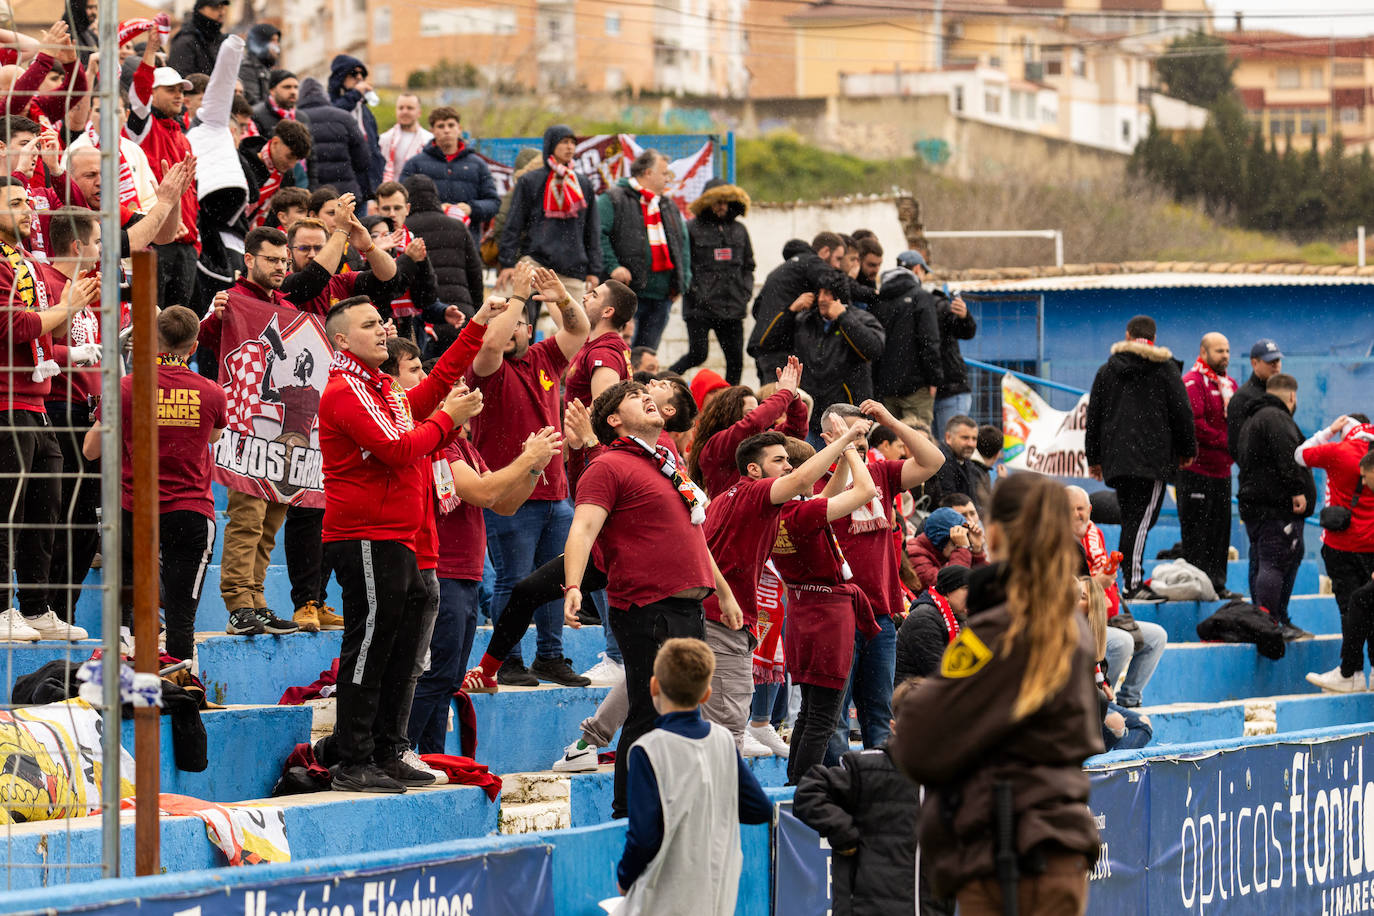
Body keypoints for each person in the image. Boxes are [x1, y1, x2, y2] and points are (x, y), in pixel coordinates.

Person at [890, 473, 1103, 915]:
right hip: (1058, 841)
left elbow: (917, 737)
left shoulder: (995, 630)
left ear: (999, 534)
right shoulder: (1072, 626)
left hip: (1003, 846)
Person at [318, 293, 492, 792]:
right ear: (343, 340)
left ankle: (389, 748)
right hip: (366, 536)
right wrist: (447, 420)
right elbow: (397, 450)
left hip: (399, 537)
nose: (382, 329)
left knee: (400, 649)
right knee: (371, 645)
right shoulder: (345, 391)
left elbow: (434, 388)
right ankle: (353, 759)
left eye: (382, 321)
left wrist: (477, 325)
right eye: (370, 324)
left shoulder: (381, 388)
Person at [563, 380, 743, 817]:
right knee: (647, 712)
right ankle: (628, 813)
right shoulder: (608, 466)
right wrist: (572, 585)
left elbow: (694, 536)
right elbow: (584, 527)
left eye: (648, 392)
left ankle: (669, 806)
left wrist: (722, 590)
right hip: (647, 607)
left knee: (679, 714)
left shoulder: (666, 462)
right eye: (634, 396)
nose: (648, 396)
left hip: (689, 608)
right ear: (614, 421)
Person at [699, 425, 874, 753]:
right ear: (755, 469)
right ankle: (796, 791)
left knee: (809, 714)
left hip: (770, 611)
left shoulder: (746, 501)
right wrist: (847, 444)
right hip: (791, 616)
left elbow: (819, 496)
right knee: (813, 717)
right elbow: (863, 491)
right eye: (781, 461)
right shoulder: (765, 497)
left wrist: (841, 451)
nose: (791, 468)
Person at [466, 263, 590, 687]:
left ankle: (551, 656)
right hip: (510, 492)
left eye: (522, 323)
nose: (516, 329)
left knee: (554, 581)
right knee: (513, 580)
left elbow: (579, 331)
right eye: (509, 323)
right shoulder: (485, 367)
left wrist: (561, 298)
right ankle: (508, 659)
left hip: (556, 493)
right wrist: (515, 298)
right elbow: (491, 345)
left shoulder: (542, 357)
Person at [82, 306, 226, 661]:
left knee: (125, 605)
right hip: (191, 512)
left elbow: (90, 450)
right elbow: (214, 438)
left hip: (135, 512)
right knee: (181, 616)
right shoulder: (211, 391)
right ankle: (180, 689)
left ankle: (122, 676)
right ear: (194, 348)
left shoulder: (126, 388)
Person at [0, 177, 99, 642]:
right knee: (9, 512)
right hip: (5, 404)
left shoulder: (26, 263)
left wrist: (70, 351)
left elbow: (39, 340)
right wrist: (66, 308)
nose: (26, 210)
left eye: (27, 201)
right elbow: (13, 326)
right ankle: (2, 610)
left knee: (46, 514)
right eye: (14, 202)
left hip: (37, 403)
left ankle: (36, 608)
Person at [819, 401, 946, 758]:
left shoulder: (880, 473)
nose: (859, 445)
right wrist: (843, 449)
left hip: (880, 615)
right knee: (836, 719)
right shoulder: (812, 478)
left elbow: (933, 461)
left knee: (879, 715)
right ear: (827, 436)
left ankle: (881, 790)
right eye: (851, 436)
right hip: (835, 614)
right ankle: (838, 792)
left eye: (863, 440)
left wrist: (889, 420)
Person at [613, 638, 770, 916]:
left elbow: (644, 837)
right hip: (716, 896)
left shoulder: (647, 750)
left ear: (653, 687)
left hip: (664, 899)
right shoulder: (723, 741)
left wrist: (624, 879)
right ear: (706, 694)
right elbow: (759, 809)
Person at [1085, 315, 1197, 602]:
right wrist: (1187, 450)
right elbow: (1182, 412)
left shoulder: (1107, 370)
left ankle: (1128, 580)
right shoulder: (1165, 370)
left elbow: (1093, 416)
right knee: (1141, 521)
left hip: (1118, 460)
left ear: (1127, 335)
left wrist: (1094, 458)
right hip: (1152, 460)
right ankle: (1132, 584)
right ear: (1154, 338)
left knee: (1132, 520)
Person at [794, 678, 924, 916]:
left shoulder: (947, 779)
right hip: (866, 905)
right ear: (894, 727)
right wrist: (844, 833)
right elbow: (809, 792)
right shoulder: (865, 766)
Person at [1066, 485, 1166, 708]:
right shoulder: (1058, 544)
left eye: (1080, 508)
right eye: (1069, 509)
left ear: (1090, 510)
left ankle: (1129, 701)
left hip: (1108, 616)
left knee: (1156, 636)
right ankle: (1102, 702)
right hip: (1081, 623)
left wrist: (1103, 587)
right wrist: (1095, 587)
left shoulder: (1095, 534)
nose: (1076, 514)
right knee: (1122, 642)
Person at [126, 26, 201, 311]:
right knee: (149, 323)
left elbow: (191, 194)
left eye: (182, 90)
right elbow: (139, 96)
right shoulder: (143, 129)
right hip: (154, 241)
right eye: (170, 90)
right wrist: (148, 53)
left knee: (178, 323)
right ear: (151, 94)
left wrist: (195, 238)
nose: (179, 95)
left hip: (187, 244)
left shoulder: (183, 136)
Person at [1235, 374, 1315, 638]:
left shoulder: (1253, 419)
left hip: (1257, 506)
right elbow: (1288, 455)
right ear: (1292, 396)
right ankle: (1272, 622)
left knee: (1263, 561)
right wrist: (1296, 490)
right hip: (1275, 508)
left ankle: (1267, 619)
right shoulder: (1277, 418)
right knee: (1276, 561)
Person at [1299, 416, 1374, 693]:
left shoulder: (1339, 450)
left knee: (1352, 606)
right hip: (1370, 548)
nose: (1363, 480)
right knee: (1365, 603)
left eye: (1365, 476)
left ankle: (1351, 672)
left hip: (1343, 545)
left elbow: (1299, 454)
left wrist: (1327, 431)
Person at [599, 149, 690, 350]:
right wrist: (613, 266)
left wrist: (682, 281)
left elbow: (683, 244)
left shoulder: (667, 205)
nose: (668, 179)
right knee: (618, 353)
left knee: (646, 356)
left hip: (662, 296)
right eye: (664, 173)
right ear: (648, 173)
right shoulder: (613, 198)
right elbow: (599, 235)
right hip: (626, 294)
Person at [498, 124, 601, 303]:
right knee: (503, 307)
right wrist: (507, 263)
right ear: (551, 145)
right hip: (536, 261)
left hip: (572, 267)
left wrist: (594, 270)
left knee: (579, 325)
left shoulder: (583, 184)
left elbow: (591, 229)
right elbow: (513, 224)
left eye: (573, 142)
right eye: (564, 142)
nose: (570, 147)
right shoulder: (531, 181)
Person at [669, 178, 752, 384]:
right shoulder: (691, 228)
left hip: (732, 306)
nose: (721, 206)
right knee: (698, 354)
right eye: (717, 201)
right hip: (699, 309)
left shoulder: (740, 230)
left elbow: (749, 266)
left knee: (736, 362)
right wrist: (697, 293)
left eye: (725, 201)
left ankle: (732, 407)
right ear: (707, 203)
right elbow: (683, 264)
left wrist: (745, 293)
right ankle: (661, 381)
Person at [793, 270, 886, 438]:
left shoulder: (862, 319)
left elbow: (873, 349)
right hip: (812, 416)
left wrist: (843, 317)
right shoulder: (806, 320)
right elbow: (768, 344)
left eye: (828, 293)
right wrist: (790, 311)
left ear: (839, 297)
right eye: (820, 292)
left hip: (847, 418)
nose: (821, 299)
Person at [1180, 332, 1239, 598]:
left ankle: (1217, 585)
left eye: (1227, 351)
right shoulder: (1192, 382)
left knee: (1220, 531)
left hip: (1223, 472)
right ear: (1203, 353)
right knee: (1198, 532)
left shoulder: (1231, 384)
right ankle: (1196, 586)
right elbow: (1196, 425)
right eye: (1219, 351)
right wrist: (1228, 442)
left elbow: (1236, 422)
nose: (1225, 356)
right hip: (1197, 472)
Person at [746, 232, 845, 380]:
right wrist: (792, 310)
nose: (837, 266)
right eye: (838, 259)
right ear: (825, 252)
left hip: (761, 348)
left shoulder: (782, 270)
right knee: (782, 399)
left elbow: (756, 309)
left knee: (770, 398)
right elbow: (837, 282)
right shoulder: (812, 262)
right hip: (778, 350)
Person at [399, 106, 498, 237]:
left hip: (467, 242)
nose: (446, 130)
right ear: (432, 131)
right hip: (427, 240)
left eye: (451, 125)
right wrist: (434, 209)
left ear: (459, 129)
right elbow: (402, 202)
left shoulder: (478, 165)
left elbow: (493, 203)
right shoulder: (415, 164)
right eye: (441, 126)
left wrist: (471, 209)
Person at [1080, 577, 1153, 752]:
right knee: (1116, 723)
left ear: (1092, 607)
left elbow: (1097, 669)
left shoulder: (1091, 634)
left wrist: (1103, 683)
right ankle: (1091, 768)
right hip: (1074, 703)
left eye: (1081, 596)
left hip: (1093, 699)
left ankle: (1109, 768)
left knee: (1143, 725)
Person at [400, 175, 485, 319]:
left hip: (427, 315)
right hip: (461, 311)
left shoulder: (404, 230)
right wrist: (476, 310)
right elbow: (475, 272)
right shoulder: (458, 226)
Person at [870, 259, 942, 429]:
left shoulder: (878, 302)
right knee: (918, 442)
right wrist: (934, 379)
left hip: (885, 387)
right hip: (917, 387)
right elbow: (929, 341)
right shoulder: (921, 297)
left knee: (889, 443)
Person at [296, 76, 370, 200]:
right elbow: (363, 158)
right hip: (346, 193)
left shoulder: (295, 119)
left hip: (313, 196)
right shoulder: (344, 117)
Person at [894, 565, 971, 682]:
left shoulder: (956, 616)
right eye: (965, 588)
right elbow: (936, 671)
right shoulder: (924, 618)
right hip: (909, 693)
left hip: (927, 688)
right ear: (947, 592)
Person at [327, 55, 384, 191]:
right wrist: (355, 94)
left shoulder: (365, 111)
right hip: (342, 184)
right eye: (353, 73)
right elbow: (335, 114)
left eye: (362, 74)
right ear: (340, 77)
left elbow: (374, 145)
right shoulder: (330, 104)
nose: (359, 78)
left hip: (368, 185)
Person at [906, 502, 987, 592]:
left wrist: (977, 551)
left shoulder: (943, 553)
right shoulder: (915, 554)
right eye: (955, 541)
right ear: (940, 540)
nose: (957, 548)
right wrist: (962, 548)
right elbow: (948, 587)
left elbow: (982, 583)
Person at [1227, 338, 1284, 461]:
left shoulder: (1280, 394)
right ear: (1254, 363)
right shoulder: (1242, 398)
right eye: (1270, 361)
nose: (1275, 365)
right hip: (1257, 476)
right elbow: (1236, 446)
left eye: (1277, 360)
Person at [925, 414, 988, 515]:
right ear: (948, 437)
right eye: (965, 438)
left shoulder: (966, 461)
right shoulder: (942, 462)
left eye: (974, 439)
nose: (971, 444)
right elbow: (951, 505)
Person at [167, 0, 227, 79]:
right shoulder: (186, 40)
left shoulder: (223, 41)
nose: (222, 13)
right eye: (215, 8)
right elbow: (181, 80)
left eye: (223, 8)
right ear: (200, 9)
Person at [380, 93, 432, 183]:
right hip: (390, 192)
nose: (404, 111)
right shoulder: (384, 139)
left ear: (419, 112)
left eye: (410, 108)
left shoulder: (429, 140)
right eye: (401, 108)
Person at [251, 70, 309, 137]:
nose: (293, 92)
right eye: (287, 87)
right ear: (272, 90)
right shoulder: (256, 115)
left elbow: (310, 146)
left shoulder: (302, 118)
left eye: (296, 87)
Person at [237, 23, 279, 105]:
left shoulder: (265, 68)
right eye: (272, 41)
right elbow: (253, 103)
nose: (277, 45)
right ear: (260, 42)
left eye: (277, 41)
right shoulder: (247, 68)